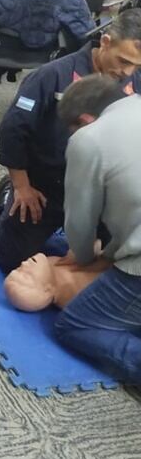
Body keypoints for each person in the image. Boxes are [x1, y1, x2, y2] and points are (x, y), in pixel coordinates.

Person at [0, 9, 141, 274]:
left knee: (114, 263)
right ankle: (4, 196)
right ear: (105, 42)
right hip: (46, 184)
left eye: (136, 66)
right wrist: (22, 185)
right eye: (123, 60)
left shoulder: (134, 81)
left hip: (103, 191)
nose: (128, 71)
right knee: (10, 259)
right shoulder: (51, 76)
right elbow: (13, 129)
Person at [53, 75, 141, 383]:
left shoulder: (88, 138)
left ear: (84, 120)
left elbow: (79, 221)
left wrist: (86, 259)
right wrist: (112, 255)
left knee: (74, 326)